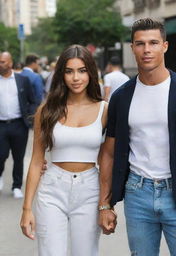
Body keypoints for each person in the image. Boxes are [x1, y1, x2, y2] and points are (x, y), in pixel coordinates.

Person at [99, 18, 176, 256]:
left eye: (153, 43)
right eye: (140, 43)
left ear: (165, 46)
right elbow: (109, 152)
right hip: (137, 192)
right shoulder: (122, 97)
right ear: (132, 47)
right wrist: (105, 204)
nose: (147, 50)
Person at [20, 45, 108, 256]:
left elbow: (108, 158)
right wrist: (26, 209)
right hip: (52, 188)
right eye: (69, 71)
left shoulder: (105, 109)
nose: (75, 78)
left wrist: (107, 204)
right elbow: (35, 161)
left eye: (82, 70)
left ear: (91, 73)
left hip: (89, 189)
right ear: (61, 74)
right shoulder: (47, 110)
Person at [0, 52, 36, 198]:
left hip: (19, 125)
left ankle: (16, 186)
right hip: (1, 125)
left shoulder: (22, 80)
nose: (0, 64)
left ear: (10, 63)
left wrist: (29, 116)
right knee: (1, 155)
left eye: (2, 62)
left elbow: (32, 100)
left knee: (18, 157)